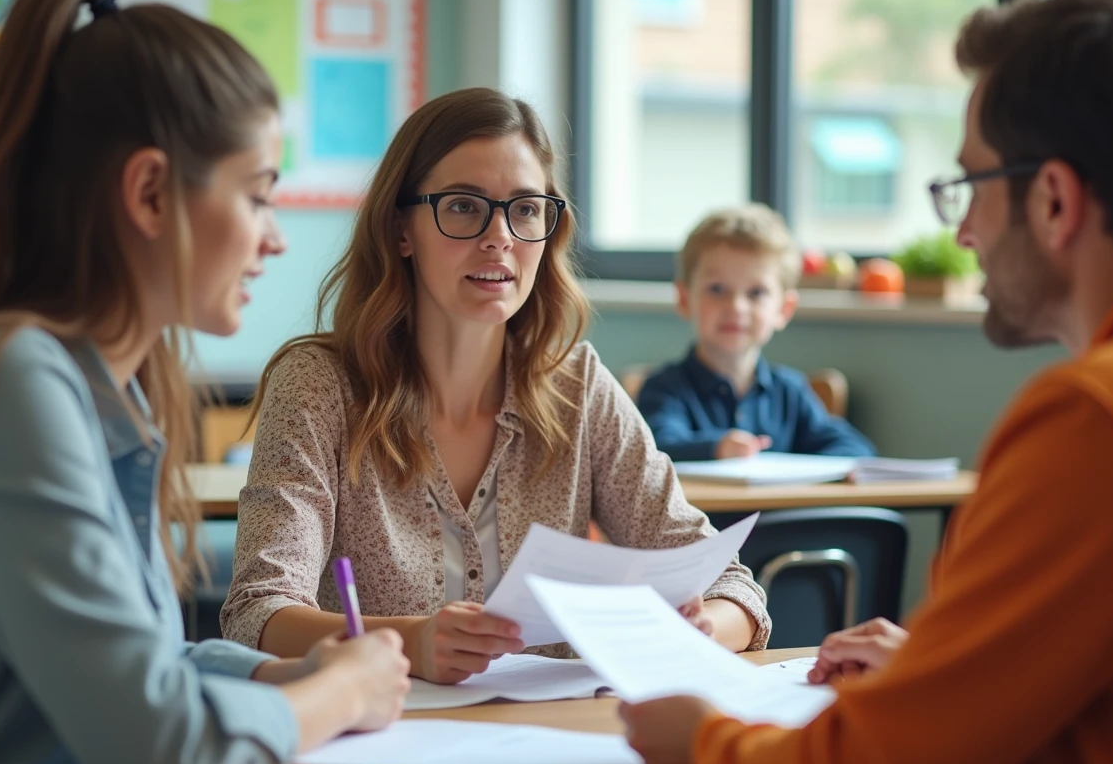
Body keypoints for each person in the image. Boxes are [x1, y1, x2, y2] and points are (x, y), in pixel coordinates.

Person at [619, 0, 1113, 764]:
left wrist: (704, 744)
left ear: (1053, 200)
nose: (962, 233)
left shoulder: (1097, 417)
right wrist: (947, 671)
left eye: (970, 185)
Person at [0, 0, 410, 764]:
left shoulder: (103, 384)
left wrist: (286, 677)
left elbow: (145, 663)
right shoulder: (10, 380)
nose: (275, 236)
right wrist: (335, 696)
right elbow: (160, 743)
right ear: (151, 192)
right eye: (258, 193)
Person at [220, 87, 771, 684]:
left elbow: (730, 585)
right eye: (463, 206)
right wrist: (411, 642)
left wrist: (703, 627)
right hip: (381, 738)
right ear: (401, 230)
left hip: (553, 745)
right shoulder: (317, 385)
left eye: (526, 208)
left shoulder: (577, 386)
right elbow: (258, 610)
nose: (500, 236)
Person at [636, 205, 875, 461]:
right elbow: (656, 449)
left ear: (784, 309)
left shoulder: (791, 391)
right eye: (717, 289)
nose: (736, 307)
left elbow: (854, 448)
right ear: (684, 299)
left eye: (756, 293)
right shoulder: (665, 389)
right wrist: (716, 447)